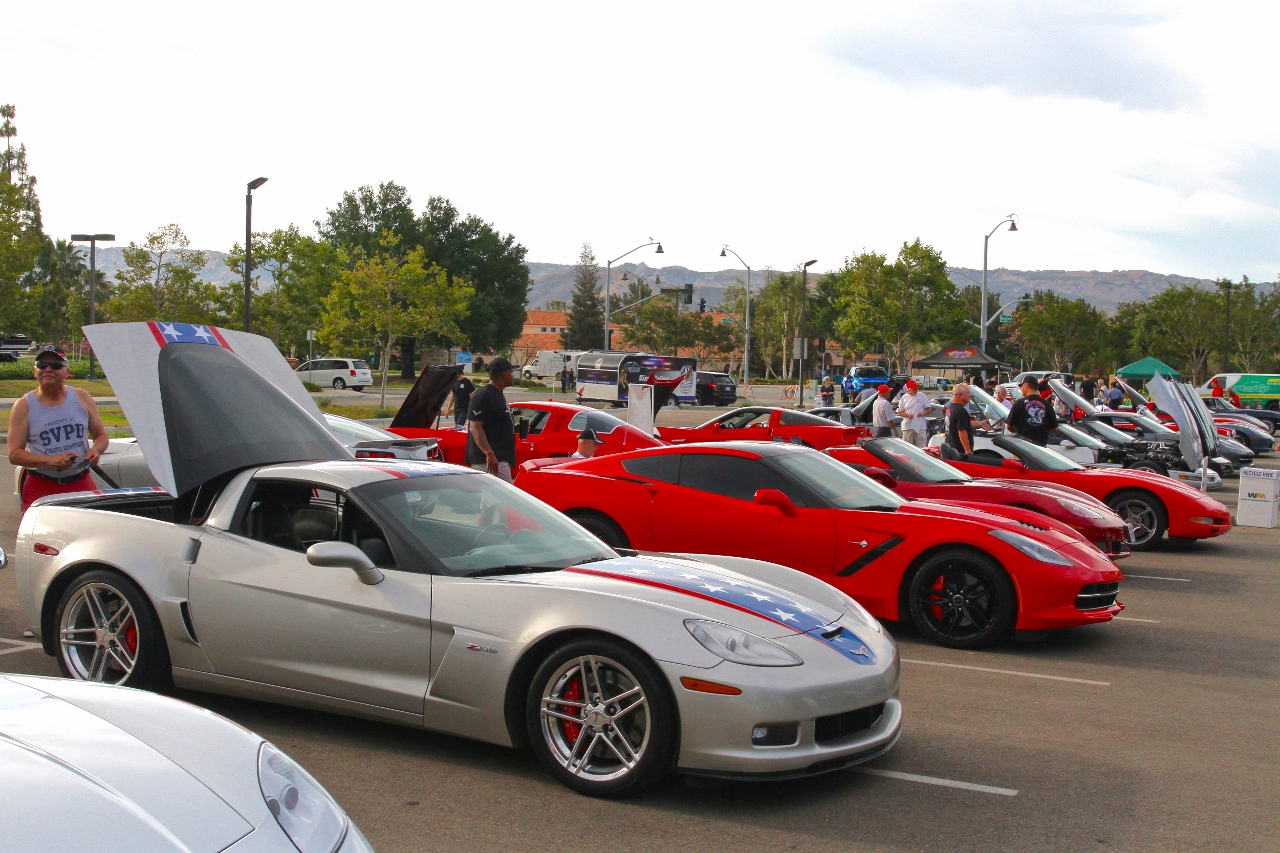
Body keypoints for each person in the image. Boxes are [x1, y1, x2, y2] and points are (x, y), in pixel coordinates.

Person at [7, 345, 109, 512]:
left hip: (81, 484)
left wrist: (96, 450)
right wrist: (51, 460)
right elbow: (14, 454)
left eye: (56, 365)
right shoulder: (23, 406)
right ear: (35, 371)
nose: (48, 369)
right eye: (42, 365)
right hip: (41, 487)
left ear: (66, 372)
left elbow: (102, 436)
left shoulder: (81, 397)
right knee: (41, 537)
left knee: (86, 534)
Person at [464, 357, 517, 482]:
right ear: (504, 374)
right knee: (508, 498)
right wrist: (489, 453)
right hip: (489, 460)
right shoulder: (483, 395)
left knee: (488, 500)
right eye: (511, 372)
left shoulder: (497, 394)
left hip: (499, 458)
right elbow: (475, 426)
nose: (513, 375)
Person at [1006, 377, 1059, 446]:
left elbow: (1009, 426)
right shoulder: (1047, 404)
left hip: (1022, 446)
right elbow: (1054, 428)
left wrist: (1018, 433)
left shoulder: (1019, 403)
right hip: (1040, 446)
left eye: (1022, 386)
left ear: (1027, 385)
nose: (1021, 389)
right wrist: (1041, 432)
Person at [942, 383, 976, 458]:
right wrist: (968, 450)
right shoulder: (960, 410)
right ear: (960, 395)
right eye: (968, 393)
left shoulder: (950, 408)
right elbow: (962, 431)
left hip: (950, 447)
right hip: (959, 452)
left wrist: (980, 424)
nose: (970, 395)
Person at [896, 379, 929, 447]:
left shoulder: (922, 396)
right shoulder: (904, 398)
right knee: (908, 447)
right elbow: (899, 412)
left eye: (916, 388)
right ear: (908, 389)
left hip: (920, 425)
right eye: (914, 389)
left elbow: (929, 409)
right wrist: (908, 415)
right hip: (908, 426)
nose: (916, 390)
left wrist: (922, 413)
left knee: (921, 446)